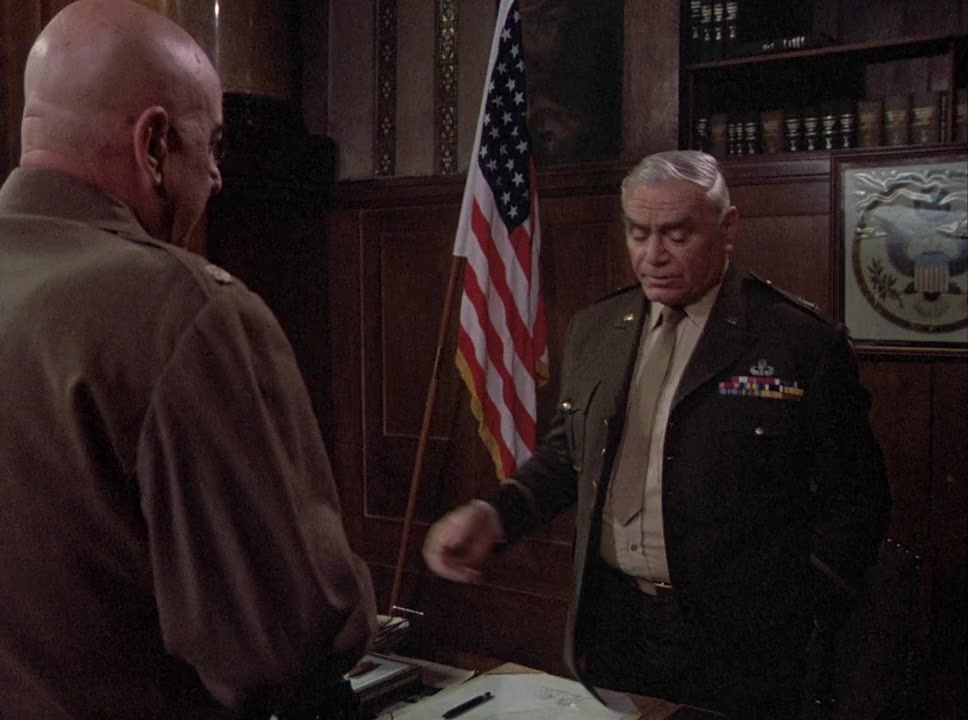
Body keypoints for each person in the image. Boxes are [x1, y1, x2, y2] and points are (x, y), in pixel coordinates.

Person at [0, 2, 375, 719]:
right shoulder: (183, 311)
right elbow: (286, 643)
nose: (217, 177)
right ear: (154, 144)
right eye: (213, 145)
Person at [423, 150, 891, 718]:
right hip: (616, 625)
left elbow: (858, 499)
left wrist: (806, 607)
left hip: (742, 641)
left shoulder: (796, 341)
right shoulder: (598, 328)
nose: (653, 255)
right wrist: (495, 514)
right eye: (638, 233)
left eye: (676, 234)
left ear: (727, 229)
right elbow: (570, 456)